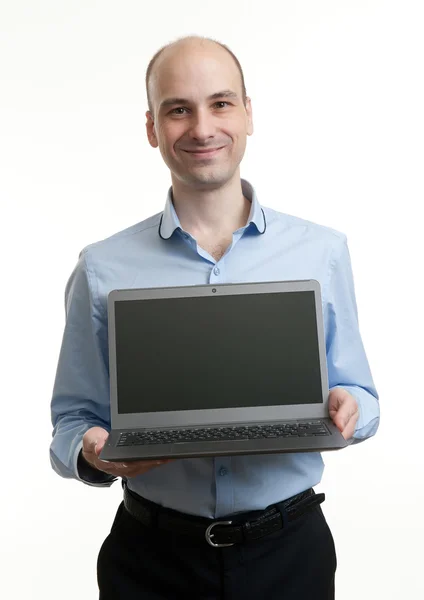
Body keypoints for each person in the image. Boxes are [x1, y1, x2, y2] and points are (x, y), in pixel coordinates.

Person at [50, 35, 380, 600]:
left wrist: (351, 410)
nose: (202, 128)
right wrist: (92, 452)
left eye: (221, 103)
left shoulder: (321, 251)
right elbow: (71, 421)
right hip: (150, 561)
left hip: (289, 554)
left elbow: (362, 396)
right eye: (178, 109)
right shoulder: (102, 267)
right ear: (153, 128)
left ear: (249, 114)